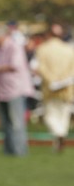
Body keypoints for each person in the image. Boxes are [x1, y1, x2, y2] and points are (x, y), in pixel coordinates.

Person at [0, 26, 35, 156]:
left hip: (15, 90)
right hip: (3, 91)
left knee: (16, 123)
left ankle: (20, 151)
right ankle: (9, 151)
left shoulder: (14, 47)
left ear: (1, 36)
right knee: (5, 123)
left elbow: (15, 66)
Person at [33, 24, 74, 152]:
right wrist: (64, 80)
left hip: (49, 88)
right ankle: (60, 137)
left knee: (51, 115)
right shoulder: (68, 49)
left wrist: (53, 81)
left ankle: (58, 134)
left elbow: (42, 68)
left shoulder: (42, 49)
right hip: (66, 89)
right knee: (63, 114)